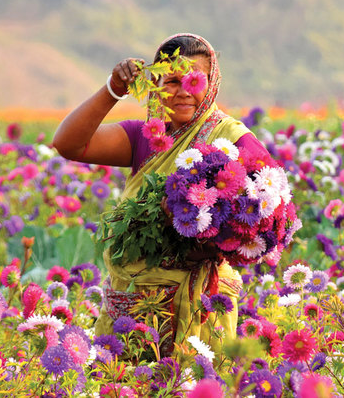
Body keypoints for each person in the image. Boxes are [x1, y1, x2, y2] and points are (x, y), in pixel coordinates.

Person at [52, 33, 275, 359]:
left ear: (211, 83)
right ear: (155, 84)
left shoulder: (229, 137)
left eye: (194, 80)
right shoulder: (145, 137)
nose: (183, 91)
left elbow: (271, 205)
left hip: (199, 311)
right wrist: (113, 89)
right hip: (130, 309)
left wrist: (213, 241)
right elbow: (68, 143)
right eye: (171, 80)